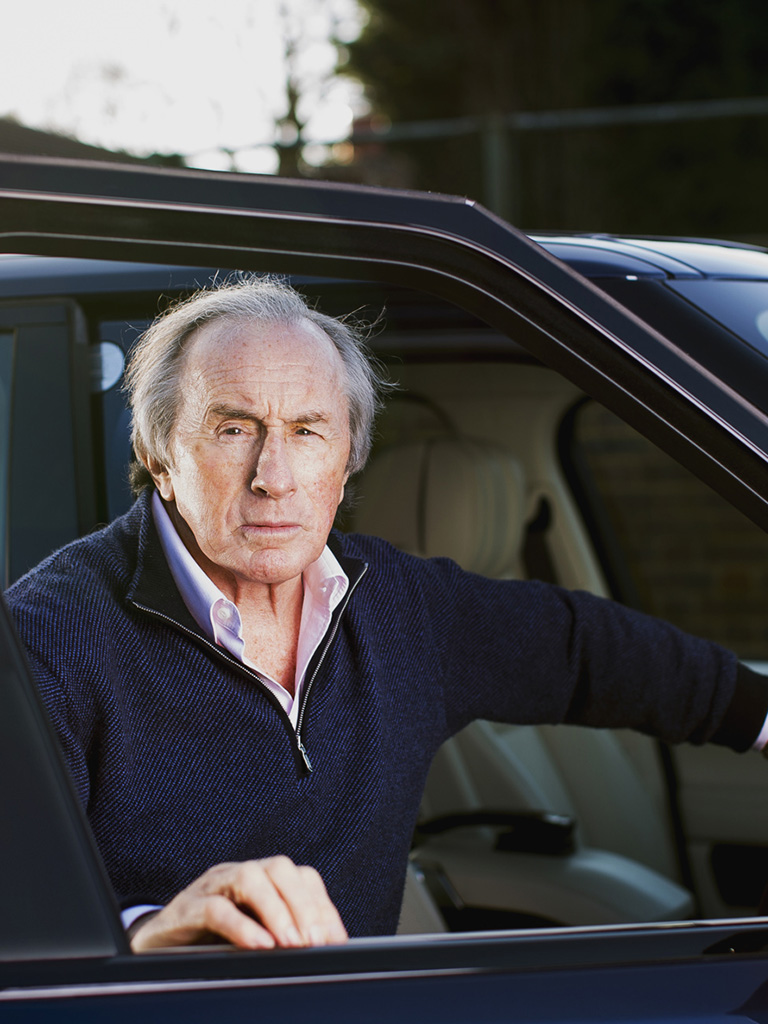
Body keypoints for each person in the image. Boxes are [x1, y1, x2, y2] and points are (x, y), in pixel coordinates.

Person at [6, 276, 768, 954]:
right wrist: (145, 933)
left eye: (307, 432)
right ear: (159, 452)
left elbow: (586, 651)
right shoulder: (47, 639)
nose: (274, 476)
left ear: (349, 457)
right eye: (234, 428)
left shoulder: (404, 610)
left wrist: (760, 716)